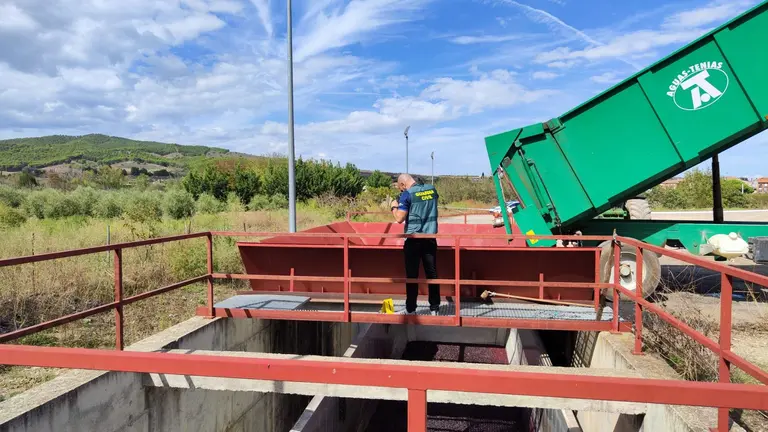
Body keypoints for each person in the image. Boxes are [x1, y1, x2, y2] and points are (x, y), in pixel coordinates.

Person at [390, 173, 440, 315]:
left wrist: (394, 206)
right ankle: (435, 308)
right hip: (430, 238)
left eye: (401, 189)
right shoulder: (432, 189)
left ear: (402, 185)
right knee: (432, 274)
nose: (401, 191)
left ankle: (411, 309)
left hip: (413, 240)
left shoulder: (407, 194)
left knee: (412, 276)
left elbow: (399, 218)